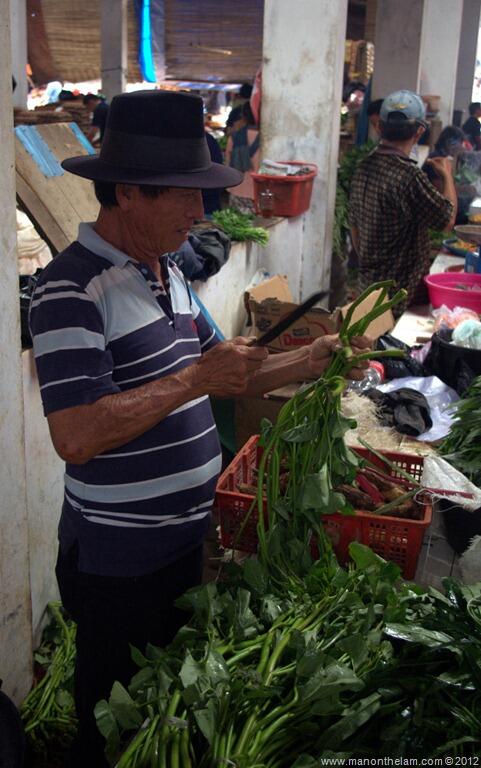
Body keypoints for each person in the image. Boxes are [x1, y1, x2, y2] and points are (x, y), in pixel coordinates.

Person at [29, 90, 370, 767]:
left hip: (184, 546)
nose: (201, 212)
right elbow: (75, 435)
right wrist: (192, 379)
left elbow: (232, 372)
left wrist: (309, 358)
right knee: (111, 720)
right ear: (128, 193)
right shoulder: (70, 292)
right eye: (184, 196)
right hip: (117, 564)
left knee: (161, 712)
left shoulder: (169, 272)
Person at [349, 89, 457, 316]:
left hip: (367, 287)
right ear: (419, 131)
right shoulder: (409, 176)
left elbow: (355, 228)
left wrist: (371, 264)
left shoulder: (363, 167)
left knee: (368, 342)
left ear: (380, 127)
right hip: (398, 295)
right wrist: (447, 174)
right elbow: (447, 221)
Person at [225, 101, 260, 209]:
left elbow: (227, 167)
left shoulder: (234, 137)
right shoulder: (268, 139)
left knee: (237, 225)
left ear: (243, 116)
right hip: (261, 194)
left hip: (237, 192)